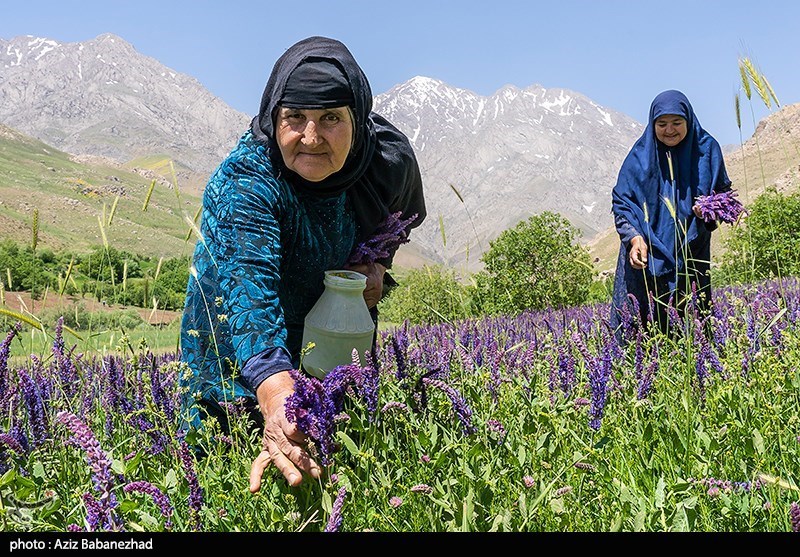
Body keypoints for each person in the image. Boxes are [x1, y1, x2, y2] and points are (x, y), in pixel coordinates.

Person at [178, 36, 426, 491]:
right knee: (224, 483)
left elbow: (394, 225)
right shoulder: (248, 182)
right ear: (274, 118)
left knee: (342, 479)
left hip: (328, 343)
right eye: (295, 117)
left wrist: (375, 269)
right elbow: (250, 298)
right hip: (240, 352)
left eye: (331, 118)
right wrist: (275, 393)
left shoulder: (385, 163)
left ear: (359, 119)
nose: (311, 137)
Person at [609, 89, 733, 339]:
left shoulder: (707, 150)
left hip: (690, 251)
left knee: (691, 324)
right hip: (646, 256)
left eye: (677, 122)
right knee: (642, 329)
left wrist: (708, 209)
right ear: (652, 124)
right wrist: (634, 238)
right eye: (662, 124)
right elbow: (622, 202)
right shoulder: (639, 156)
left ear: (689, 120)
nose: (669, 130)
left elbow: (724, 195)